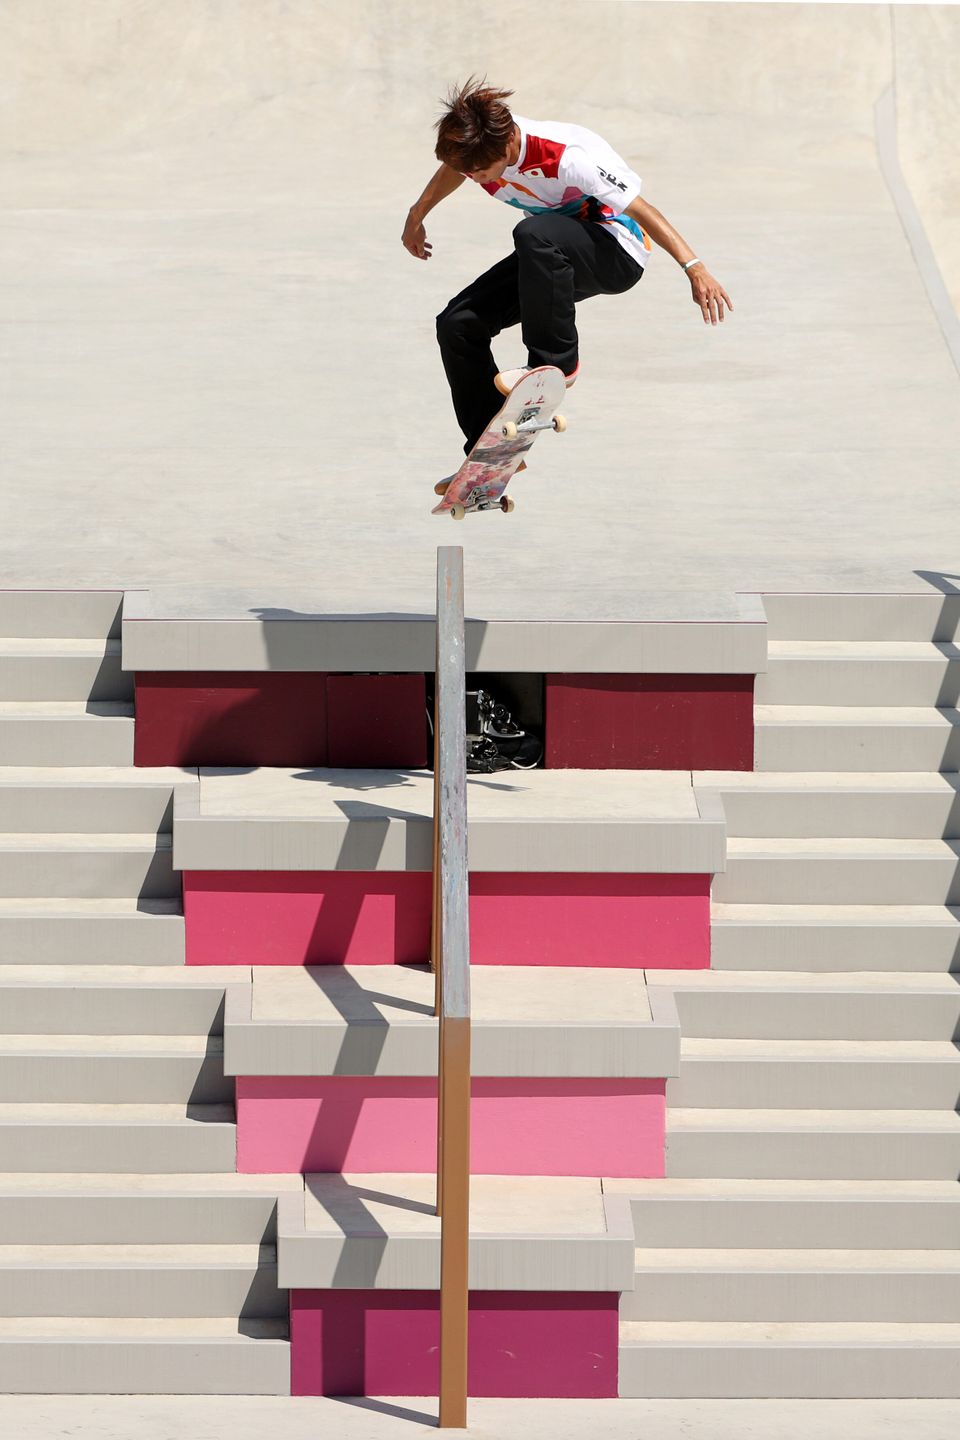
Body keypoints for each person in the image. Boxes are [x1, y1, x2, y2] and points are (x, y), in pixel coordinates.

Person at [402, 77, 733, 477]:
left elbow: (644, 210)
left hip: (615, 252)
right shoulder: (481, 149)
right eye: (468, 173)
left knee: (533, 234)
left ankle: (555, 363)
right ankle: (489, 454)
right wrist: (417, 213)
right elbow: (454, 169)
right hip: (553, 260)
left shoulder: (567, 156)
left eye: (479, 172)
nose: (475, 179)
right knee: (457, 324)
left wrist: (693, 267)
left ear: (506, 146)